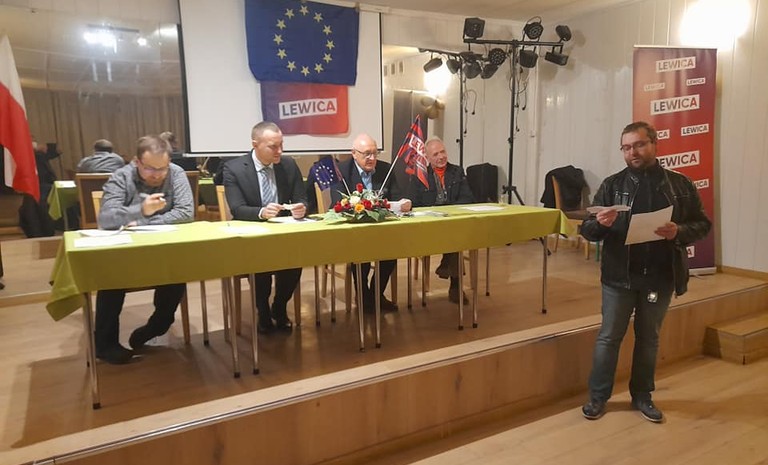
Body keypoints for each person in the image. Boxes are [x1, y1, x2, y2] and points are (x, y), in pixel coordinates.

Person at [580, 122, 711, 423]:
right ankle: (598, 397)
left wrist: (679, 231)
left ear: (654, 144)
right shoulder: (612, 185)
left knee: (649, 338)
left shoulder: (680, 185)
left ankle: (642, 396)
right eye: (626, 147)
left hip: (659, 277)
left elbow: (702, 224)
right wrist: (600, 224)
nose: (633, 152)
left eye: (639, 145)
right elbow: (588, 230)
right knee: (609, 337)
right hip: (619, 277)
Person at [94, 135, 195, 364]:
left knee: (178, 269)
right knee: (109, 275)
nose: (157, 175)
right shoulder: (121, 177)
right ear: (136, 161)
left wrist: (143, 221)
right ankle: (105, 344)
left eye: (162, 168)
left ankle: (157, 326)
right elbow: (106, 219)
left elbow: (185, 212)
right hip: (125, 253)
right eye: (150, 168)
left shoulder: (176, 173)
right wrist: (141, 209)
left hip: (165, 250)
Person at [222, 121, 307, 334]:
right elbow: (237, 208)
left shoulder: (288, 165)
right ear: (255, 144)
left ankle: (279, 306)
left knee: (295, 261)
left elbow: (302, 198)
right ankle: (263, 311)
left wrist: (301, 208)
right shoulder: (234, 168)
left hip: (284, 235)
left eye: (281, 145)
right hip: (253, 236)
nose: (280, 151)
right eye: (273, 147)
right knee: (260, 265)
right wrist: (261, 212)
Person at [331, 133, 412, 312]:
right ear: (354, 153)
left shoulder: (385, 169)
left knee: (391, 251)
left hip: (381, 230)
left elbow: (397, 197)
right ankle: (363, 295)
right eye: (367, 154)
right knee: (361, 253)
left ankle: (375, 295)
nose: (372, 158)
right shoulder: (341, 170)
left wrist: (404, 203)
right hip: (353, 232)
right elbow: (337, 203)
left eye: (375, 153)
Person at [410, 137, 475, 304]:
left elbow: (468, 198)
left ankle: (455, 285)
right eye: (436, 154)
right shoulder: (421, 176)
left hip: (452, 223)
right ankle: (451, 277)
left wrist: (449, 211)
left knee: (455, 236)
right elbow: (415, 204)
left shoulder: (457, 172)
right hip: (429, 226)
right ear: (427, 157)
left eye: (443, 152)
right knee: (454, 237)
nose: (441, 157)